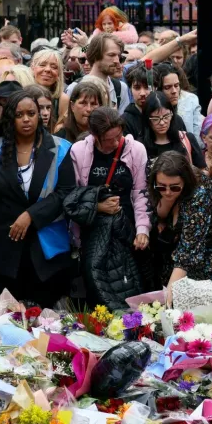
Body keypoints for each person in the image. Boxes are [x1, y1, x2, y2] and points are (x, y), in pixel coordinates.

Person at [0, 91, 76, 310]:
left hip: (44, 250)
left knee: (43, 321)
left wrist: (31, 215)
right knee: (2, 319)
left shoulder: (61, 148)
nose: (26, 119)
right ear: (11, 118)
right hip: (1, 247)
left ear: (40, 115)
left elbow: (66, 192)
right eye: (20, 114)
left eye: (31, 113)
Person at [64, 108, 150, 309]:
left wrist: (142, 230)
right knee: (98, 288)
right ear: (95, 136)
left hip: (125, 229)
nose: (115, 143)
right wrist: (98, 206)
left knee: (130, 285)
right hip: (93, 233)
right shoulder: (79, 151)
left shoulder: (135, 149)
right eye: (109, 139)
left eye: (118, 136)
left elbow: (140, 192)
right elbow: (74, 196)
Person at [147, 151, 212, 298]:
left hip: (206, 258)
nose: (167, 192)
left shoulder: (200, 195)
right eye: (161, 186)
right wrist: (169, 199)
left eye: (174, 187)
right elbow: (159, 211)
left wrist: (167, 301)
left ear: (185, 181)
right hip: (174, 257)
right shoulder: (154, 168)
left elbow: (188, 253)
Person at [143, 92, 205, 169]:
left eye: (166, 116)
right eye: (155, 119)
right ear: (147, 119)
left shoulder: (186, 139)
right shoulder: (141, 147)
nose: (162, 122)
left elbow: (202, 173)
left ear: (172, 114)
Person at [84, 32, 131, 112]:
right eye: (111, 55)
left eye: (119, 56)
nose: (117, 61)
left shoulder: (120, 88)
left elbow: (123, 122)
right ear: (96, 55)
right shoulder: (75, 87)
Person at [30, 49, 70, 123]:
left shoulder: (63, 99)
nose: (48, 69)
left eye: (54, 67)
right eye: (42, 65)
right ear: (32, 67)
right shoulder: (23, 95)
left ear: (59, 73)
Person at [123, 66, 153, 139]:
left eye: (147, 87)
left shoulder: (168, 115)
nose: (142, 93)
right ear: (130, 89)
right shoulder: (124, 121)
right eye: (137, 88)